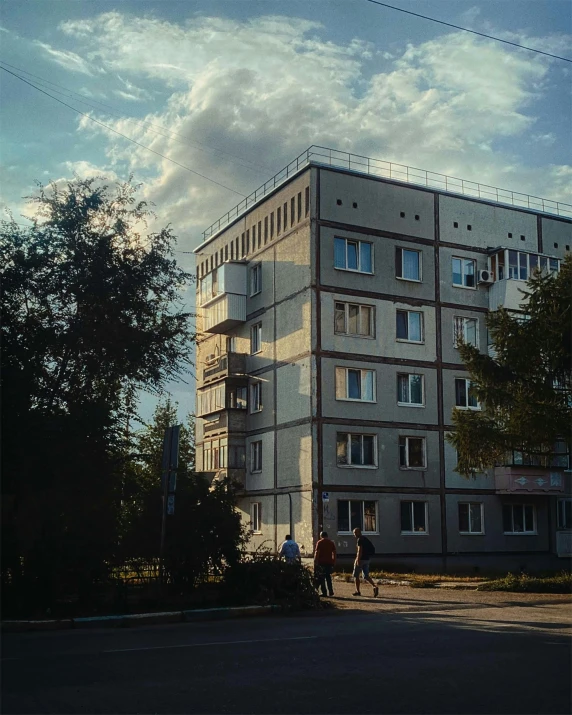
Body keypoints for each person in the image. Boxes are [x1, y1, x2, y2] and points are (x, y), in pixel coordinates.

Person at [352, 527, 378, 598]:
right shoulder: (365, 539)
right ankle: (374, 586)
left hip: (361, 559)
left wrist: (358, 559)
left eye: (355, 533)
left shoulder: (360, 540)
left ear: (358, 532)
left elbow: (360, 550)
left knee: (356, 575)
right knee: (366, 575)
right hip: (367, 559)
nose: (354, 534)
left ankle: (358, 591)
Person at [314, 531, 336, 597]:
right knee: (328, 577)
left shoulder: (319, 542)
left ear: (321, 536)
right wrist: (333, 561)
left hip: (321, 562)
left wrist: (315, 561)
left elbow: (317, 552)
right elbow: (334, 553)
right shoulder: (331, 543)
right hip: (329, 562)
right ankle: (331, 591)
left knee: (321, 578)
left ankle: (324, 592)